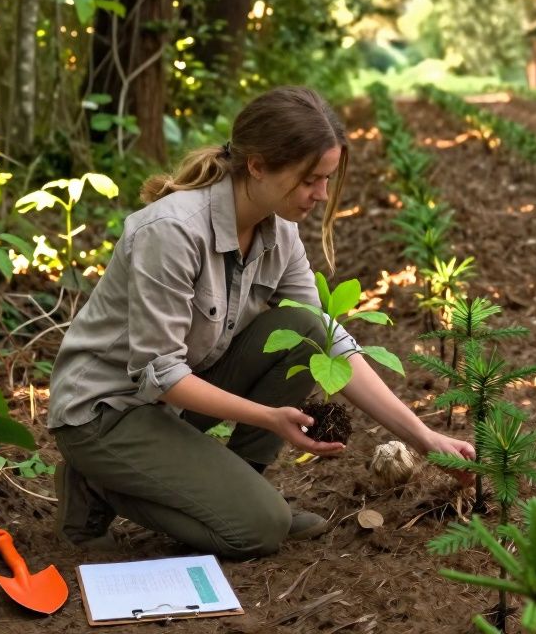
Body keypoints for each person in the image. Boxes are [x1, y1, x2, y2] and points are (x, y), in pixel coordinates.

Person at [48, 86, 474, 560]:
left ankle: (233, 491)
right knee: (258, 531)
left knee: (306, 332)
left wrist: (427, 438)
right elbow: (161, 373)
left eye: (328, 179)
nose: (322, 195)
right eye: (310, 179)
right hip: (106, 412)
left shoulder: (280, 233)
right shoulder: (170, 233)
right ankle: (98, 483)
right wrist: (268, 418)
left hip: (169, 402)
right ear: (257, 166)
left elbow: (330, 343)